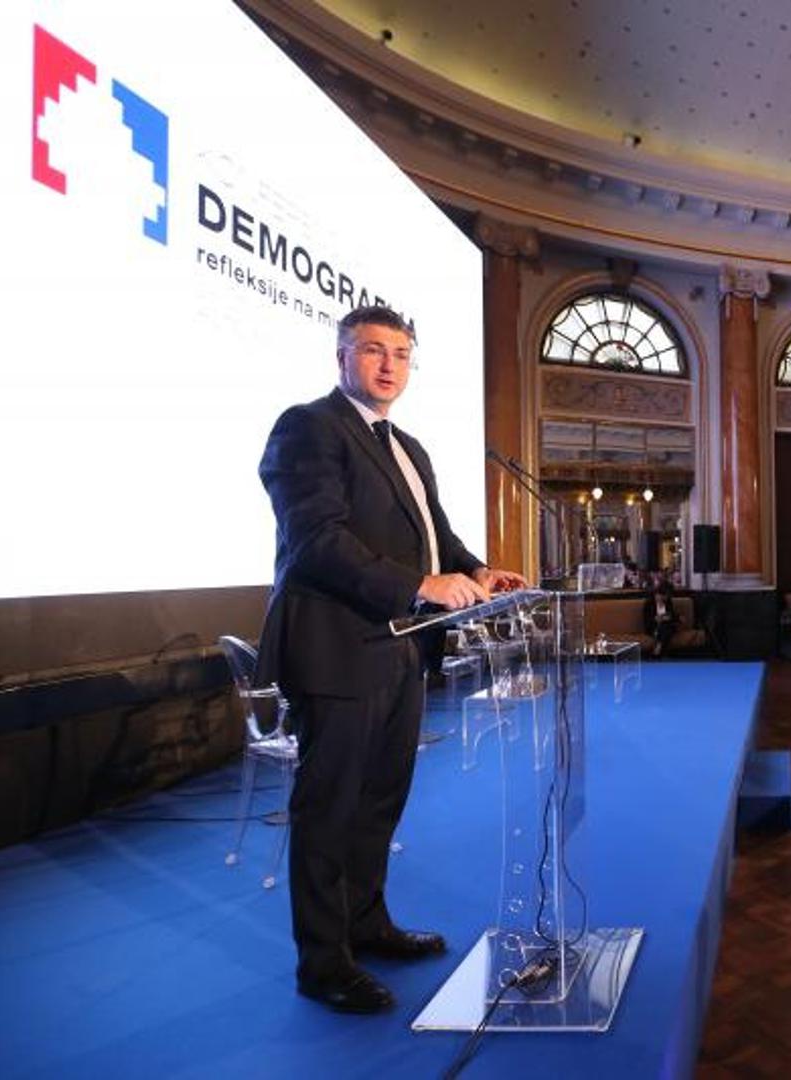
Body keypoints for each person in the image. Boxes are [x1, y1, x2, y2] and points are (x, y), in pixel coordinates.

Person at [257, 306, 525, 1014]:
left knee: (380, 800)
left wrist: (477, 569)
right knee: (329, 810)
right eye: (373, 350)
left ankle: (366, 924)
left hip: (401, 647)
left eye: (401, 354)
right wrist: (419, 585)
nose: (388, 366)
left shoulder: (407, 446)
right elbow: (316, 540)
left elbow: (435, 536)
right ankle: (323, 963)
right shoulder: (308, 427)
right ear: (342, 356)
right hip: (336, 647)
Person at [642, 580, 678, 657]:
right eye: (663, 595)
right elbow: (646, 621)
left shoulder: (668, 602)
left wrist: (669, 617)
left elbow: (672, 615)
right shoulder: (649, 603)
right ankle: (661, 651)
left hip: (666, 626)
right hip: (653, 627)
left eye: (667, 596)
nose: (665, 598)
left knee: (666, 626)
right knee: (666, 628)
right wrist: (655, 619)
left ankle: (659, 645)